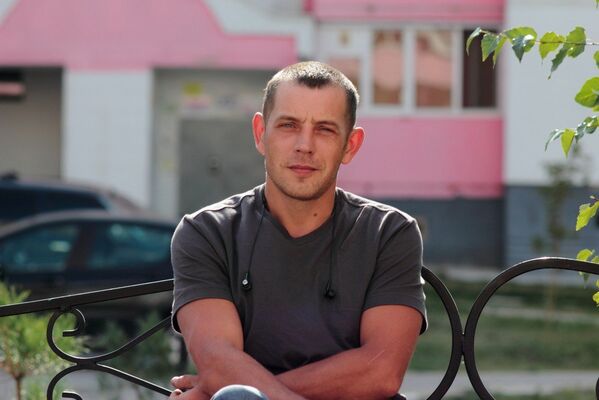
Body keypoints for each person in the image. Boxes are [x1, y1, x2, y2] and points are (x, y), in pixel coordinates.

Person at [169, 61, 427, 400]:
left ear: (350, 145)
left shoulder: (388, 233)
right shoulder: (207, 233)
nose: (305, 145)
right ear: (261, 134)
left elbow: (381, 371)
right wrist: (224, 381)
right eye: (288, 125)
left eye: (325, 129)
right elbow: (219, 361)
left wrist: (232, 389)